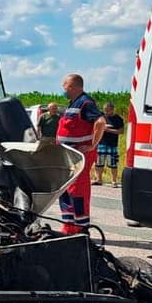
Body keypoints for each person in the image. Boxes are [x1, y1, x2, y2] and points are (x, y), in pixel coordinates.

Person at [56, 74, 107, 235]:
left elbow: (100, 122)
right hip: (68, 155)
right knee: (65, 190)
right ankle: (69, 225)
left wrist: (92, 145)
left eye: (66, 85)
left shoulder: (86, 103)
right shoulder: (73, 104)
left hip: (79, 155)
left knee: (78, 192)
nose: (63, 88)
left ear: (75, 86)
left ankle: (81, 227)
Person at [91, 102, 125, 187]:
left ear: (113, 109)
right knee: (99, 163)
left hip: (112, 144)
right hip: (101, 143)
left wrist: (109, 130)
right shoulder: (101, 118)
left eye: (108, 110)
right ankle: (98, 179)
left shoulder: (118, 119)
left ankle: (114, 181)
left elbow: (121, 131)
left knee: (113, 163)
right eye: (105, 110)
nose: (106, 112)